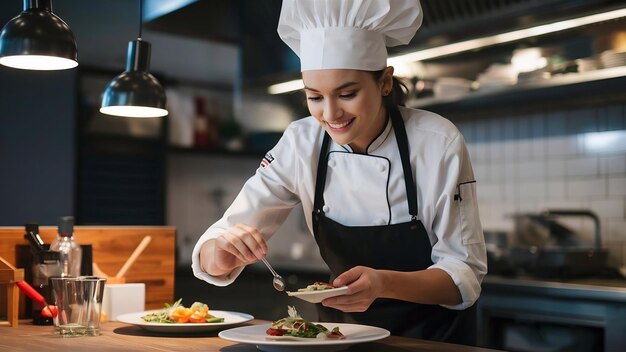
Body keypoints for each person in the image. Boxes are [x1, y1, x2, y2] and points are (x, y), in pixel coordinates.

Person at [192, 0, 487, 342]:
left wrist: (383, 284)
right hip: (339, 338)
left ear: (385, 82)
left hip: (433, 340)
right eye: (314, 97)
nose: (330, 114)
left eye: (347, 94)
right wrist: (224, 252)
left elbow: (463, 276)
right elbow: (217, 246)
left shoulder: (437, 142)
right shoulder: (301, 143)